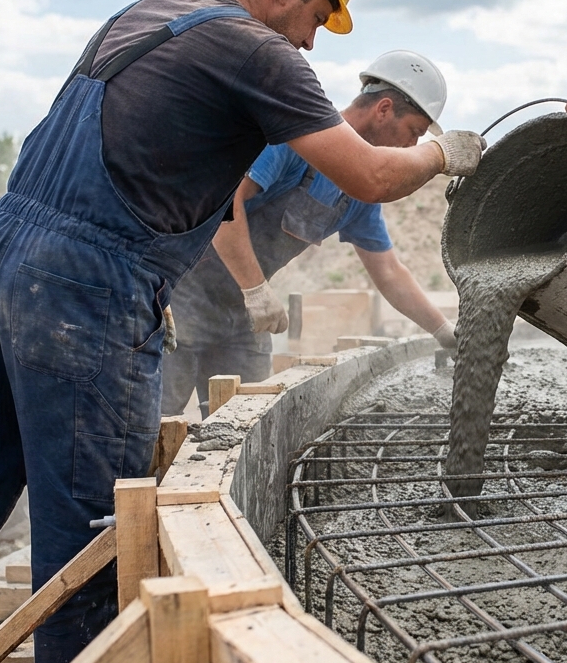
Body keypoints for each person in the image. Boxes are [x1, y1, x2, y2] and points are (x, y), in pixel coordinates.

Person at [0, 0, 486, 663]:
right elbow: (372, 174)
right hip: (86, 288)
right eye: (314, 20)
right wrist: (443, 152)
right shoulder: (260, 51)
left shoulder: (142, 14)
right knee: (93, 535)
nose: (309, 42)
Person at [164, 51, 459, 416]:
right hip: (179, 299)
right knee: (157, 424)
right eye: (413, 132)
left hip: (242, 318)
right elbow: (223, 204)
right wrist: (255, 288)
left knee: (241, 425)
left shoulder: (359, 188)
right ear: (383, 109)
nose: (412, 148)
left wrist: (443, 331)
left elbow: (388, 272)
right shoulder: (293, 138)